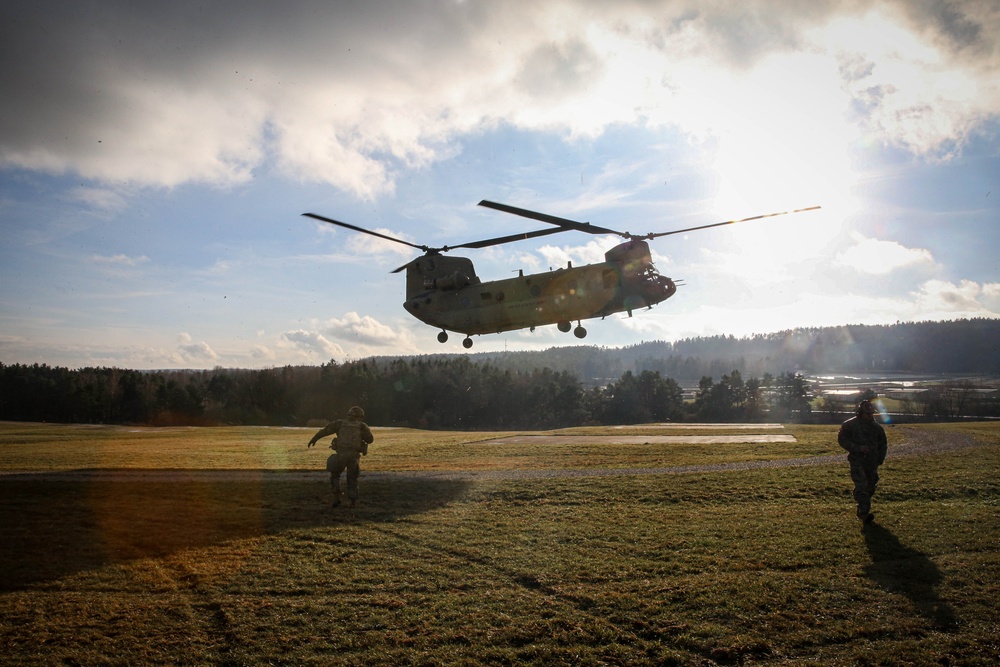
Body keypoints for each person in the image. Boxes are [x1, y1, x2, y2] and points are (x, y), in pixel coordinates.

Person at [307, 405, 374, 508]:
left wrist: (314, 439)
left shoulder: (339, 423)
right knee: (352, 479)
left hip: (341, 454)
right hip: (354, 456)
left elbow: (325, 431)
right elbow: (370, 440)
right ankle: (352, 502)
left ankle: (337, 497)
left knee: (335, 475)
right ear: (360, 416)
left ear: (349, 415)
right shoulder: (362, 426)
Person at [837, 399, 888, 523]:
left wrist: (879, 460)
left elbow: (883, 445)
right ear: (860, 412)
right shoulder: (849, 425)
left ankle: (861, 507)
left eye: (871, 414)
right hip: (857, 461)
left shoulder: (877, 428)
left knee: (871, 486)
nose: (870, 416)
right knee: (861, 486)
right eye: (867, 414)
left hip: (872, 463)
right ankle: (864, 513)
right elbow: (842, 439)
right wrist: (857, 448)